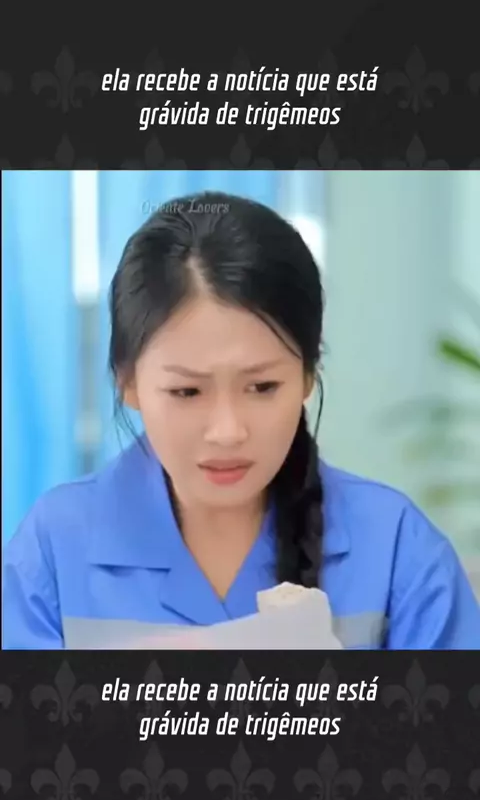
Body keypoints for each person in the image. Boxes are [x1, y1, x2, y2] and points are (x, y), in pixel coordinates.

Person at [3, 191, 480, 650]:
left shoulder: (398, 549)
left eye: (263, 387)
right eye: (187, 391)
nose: (228, 431)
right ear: (127, 382)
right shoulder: (53, 550)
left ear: (308, 375)